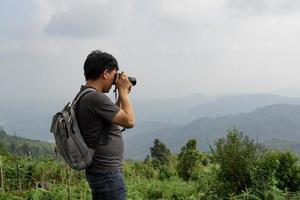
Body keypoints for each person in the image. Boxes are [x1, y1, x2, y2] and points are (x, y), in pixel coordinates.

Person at [76, 50, 135, 200]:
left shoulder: (86, 95)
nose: (115, 80)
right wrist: (123, 92)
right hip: (107, 175)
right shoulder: (95, 97)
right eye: (115, 75)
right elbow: (129, 121)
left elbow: (114, 117)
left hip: (103, 173)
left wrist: (122, 94)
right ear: (105, 73)